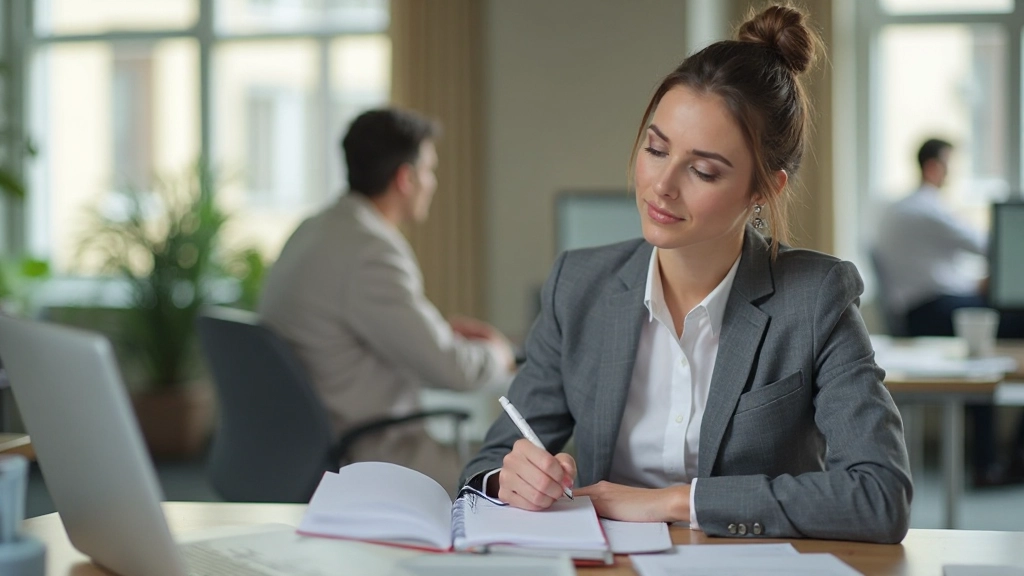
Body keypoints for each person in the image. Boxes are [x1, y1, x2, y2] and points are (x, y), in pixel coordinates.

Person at [460, 6, 912, 544]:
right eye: (656, 149)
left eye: (702, 170)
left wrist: (674, 502)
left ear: (765, 189)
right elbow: (486, 466)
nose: (661, 186)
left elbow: (879, 495)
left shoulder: (816, 297)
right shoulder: (579, 285)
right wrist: (508, 478)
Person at [260, 108, 515, 491]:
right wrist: (500, 352)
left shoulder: (316, 230)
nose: (433, 182)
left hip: (310, 442)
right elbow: (455, 372)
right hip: (373, 456)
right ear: (405, 178)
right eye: (429, 170)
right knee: (527, 469)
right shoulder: (371, 252)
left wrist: (435, 336)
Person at [876, 139, 1024, 486]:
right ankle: (1005, 458)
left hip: (921, 307)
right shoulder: (926, 208)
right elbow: (987, 244)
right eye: (949, 166)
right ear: (933, 167)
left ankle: (994, 457)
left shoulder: (899, 208)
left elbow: (936, 267)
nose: (951, 175)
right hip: (930, 311)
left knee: (986, 347)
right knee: (1011, 320)